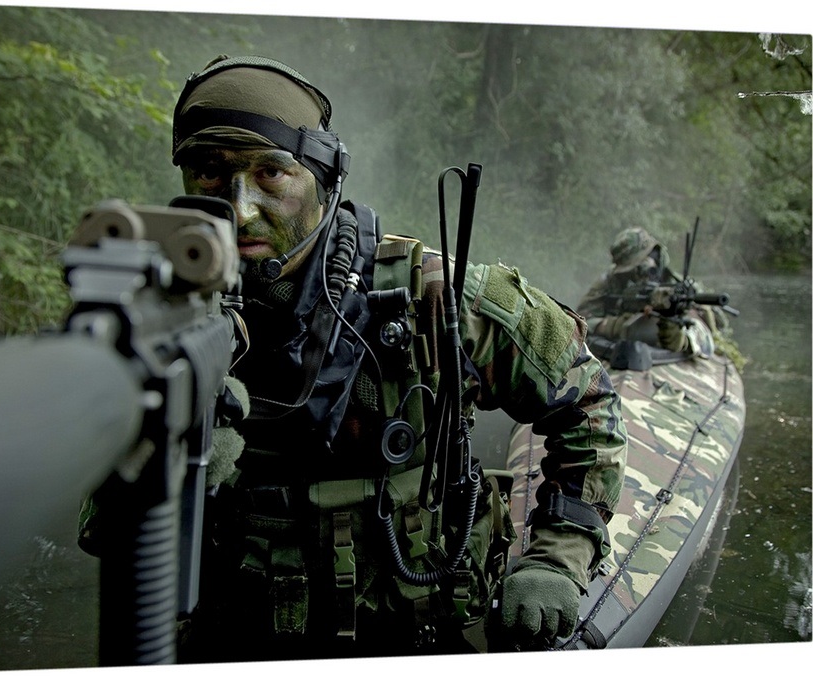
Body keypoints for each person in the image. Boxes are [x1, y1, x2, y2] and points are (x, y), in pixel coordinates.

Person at [82, 55, 628, 661]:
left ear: (323, 176)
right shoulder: (158, 322)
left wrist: (559, 553)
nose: (239, 210)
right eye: (209, 172)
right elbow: (102, 532)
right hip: (230, 633)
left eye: (271, 174)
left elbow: (587, 405)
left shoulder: (435, 297)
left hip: (413, 634)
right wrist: (168, 471)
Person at [577, 227, 726, 358]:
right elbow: (580, 321)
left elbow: (715, 327)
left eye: (641, 266)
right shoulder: (611, 282)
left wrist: (682, 336)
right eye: (631, 269)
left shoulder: (677, 287)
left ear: (656, 255)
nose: (638, 274)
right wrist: (617, 325)